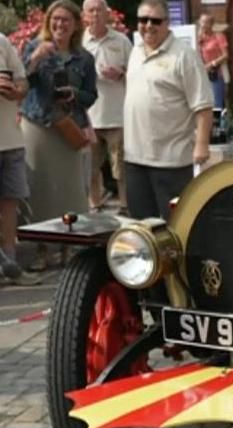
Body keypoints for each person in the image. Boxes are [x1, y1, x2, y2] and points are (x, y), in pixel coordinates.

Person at [20, 0, 97, 271]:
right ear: (48, 22)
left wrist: (75, 96)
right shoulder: (32, 47)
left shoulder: (85, 58)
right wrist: (35, 59)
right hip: (37, 127)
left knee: (69, 191)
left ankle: (67, 247)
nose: (60, 24)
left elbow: (92, 95)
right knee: (38, 189)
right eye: (55, 19)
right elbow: (21, 85)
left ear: (76, 24)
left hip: (67, 128)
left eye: (66, 20)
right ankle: (42, 250)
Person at [124, 0, 213, 220]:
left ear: (167, 23)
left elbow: (203, 105)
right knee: (142, 226)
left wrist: (201, 145)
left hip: (170, 159)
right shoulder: (135, 52)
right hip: (135, 158)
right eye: (143, 20)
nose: (148, 25)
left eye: (155, 20)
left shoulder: (184, 56)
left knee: (174, 224)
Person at [83, 0, 132, 214]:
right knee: (90, 168)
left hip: (117, 115)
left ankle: (125, 206)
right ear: (84, 14)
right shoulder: (79, 42)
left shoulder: (121, 41)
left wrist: (120, 74)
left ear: (107, 13)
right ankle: (95, 205)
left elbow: (138, 73)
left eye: (99, 10)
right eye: (91, 10)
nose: (95, 14)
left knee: (120, 168)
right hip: (88, 117)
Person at [0, 32, 29, 278]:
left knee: (10, 202)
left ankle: (10, 262)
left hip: (10, 140)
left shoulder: (1, 41)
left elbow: (22, 81)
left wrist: (16, 91)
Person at [197, 13, 228, 110]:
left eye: (206, 22)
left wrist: (212, 64)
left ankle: (218, 124)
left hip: (216, 73)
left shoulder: (218, 36)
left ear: (211, 24)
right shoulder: (200, 38)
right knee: (205, 104)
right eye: (202, 22)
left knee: (217, 103)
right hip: (202, 74)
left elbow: (226, 55)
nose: (203, 25)